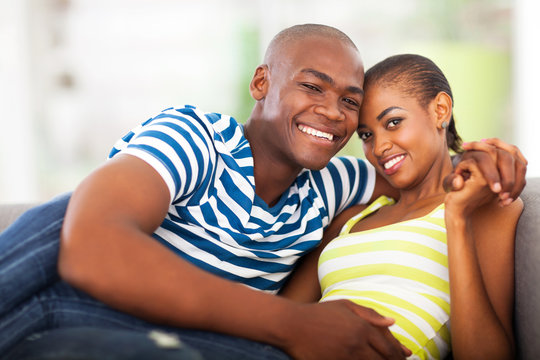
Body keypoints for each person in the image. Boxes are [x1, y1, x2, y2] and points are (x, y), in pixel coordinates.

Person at [0, 25, 526, 360]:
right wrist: (298, 325)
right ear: (261, 83)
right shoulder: (197, 137)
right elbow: (90, 250)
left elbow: (423, 166)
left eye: (351, 103)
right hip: (103, 310)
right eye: (311, 86)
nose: (334, 114)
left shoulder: (334, 186)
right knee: (67, 217)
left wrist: (485, 156)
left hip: (195, 345)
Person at [280, 54, 523, 360]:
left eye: (393, 122)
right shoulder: (353, 217)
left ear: (440, 110)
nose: (379, 147)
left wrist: (457, 219)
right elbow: (283, 316)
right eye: (367, 135)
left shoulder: (482, 208)